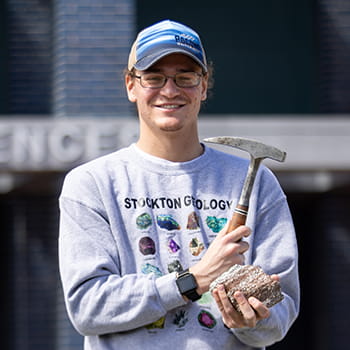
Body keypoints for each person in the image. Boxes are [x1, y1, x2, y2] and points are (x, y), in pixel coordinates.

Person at [58, 19, 299, 349]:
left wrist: (253, 320)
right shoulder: (92, 184)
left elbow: (281, 309)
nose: (170, 91)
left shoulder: (256, 183)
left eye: (185, 78)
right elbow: (88, 307)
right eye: (154, 78)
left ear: (203, 85)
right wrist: (193, 280)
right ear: (131, 86)